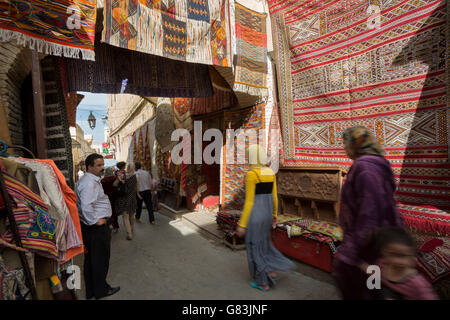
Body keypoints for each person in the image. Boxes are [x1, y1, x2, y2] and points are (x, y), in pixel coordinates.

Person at [332, 126, 404, 300]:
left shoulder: (365, 168)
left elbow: (370, 212)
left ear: (355, 143)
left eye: (345, 143)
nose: (344, 148)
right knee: (372, 287)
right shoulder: (377, 164)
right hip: (374, 242)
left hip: (367, 245)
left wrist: (352, 251)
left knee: (363, 289)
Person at [236, 144, 295, 292]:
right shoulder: (270, 172)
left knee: (254, 246)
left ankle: (263, 283)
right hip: (267, 215)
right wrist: (274, 215)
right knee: (265, 243)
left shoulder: (251, 175)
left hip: (255, 216)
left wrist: (242, 224)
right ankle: (271, 271)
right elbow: (275, 197)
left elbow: (249, 201)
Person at [75, 153, 120, 300]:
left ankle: (92, 291)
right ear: (89, 167)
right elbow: (86, 206)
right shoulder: (89, 183)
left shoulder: (90, 180)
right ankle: (101, 291)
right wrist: (95, 221)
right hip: (96, 229)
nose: (102, 168)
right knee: (100, 260)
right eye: (99, 165)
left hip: (92, 228)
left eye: (102, 164)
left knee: (92, 261)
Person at [374, 227, 438, 300]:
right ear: (384, 252)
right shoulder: (381, 264)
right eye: (392, 254)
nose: (397, 261)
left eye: (403, 256)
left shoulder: (417, 284)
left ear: (412, 258)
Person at [115, 163, 138, 240]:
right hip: (132, 198)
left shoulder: (122, 175)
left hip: (124, 198)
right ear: (134, 168)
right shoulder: (136, 176)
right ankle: (131, 229)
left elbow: (114, 184)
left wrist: (119, 180)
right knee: (131, 215)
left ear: (127, 168)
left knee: (125, 217)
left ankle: (129, 234)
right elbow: (137, 188)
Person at [101, 167, 120, 233]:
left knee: (108, 212)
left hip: (106, 198)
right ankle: (116, 226)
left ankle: (110, 224)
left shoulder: (103, 180)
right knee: (114, 212)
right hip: (114, 197)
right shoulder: (114, 178)